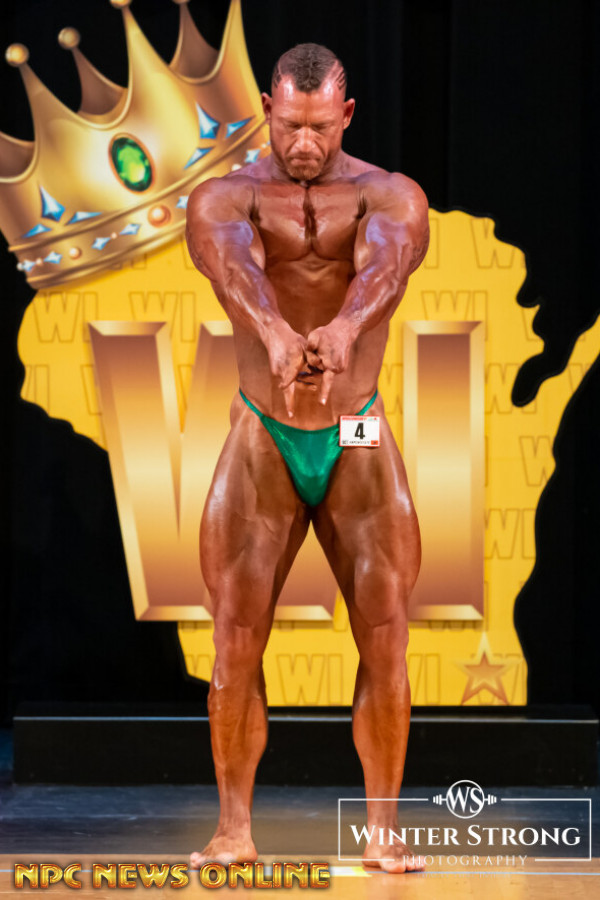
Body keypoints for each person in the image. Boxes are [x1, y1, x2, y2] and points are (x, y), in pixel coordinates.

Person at [185, 43, 429, 874]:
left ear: (346, 115)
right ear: (267, 107)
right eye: (290, 124)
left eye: (320, 128)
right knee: (235, 638)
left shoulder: (389, 195)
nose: (303, 143)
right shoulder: (226, 197)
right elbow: (232, 270)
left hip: (355, 428)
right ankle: (233, 829)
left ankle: (383, 831)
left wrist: (346, 328)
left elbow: (387, 268)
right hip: (265, 428)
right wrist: (277, 334)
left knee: (386, 635)